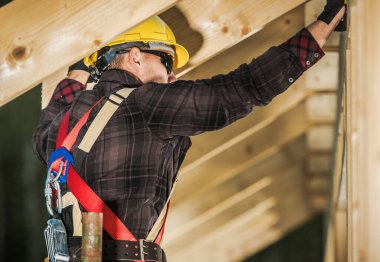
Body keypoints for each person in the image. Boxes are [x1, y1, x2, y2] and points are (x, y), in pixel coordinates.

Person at [33, 1, 346, 261]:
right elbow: (241, 88)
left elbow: (55, 111)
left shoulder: (61, 128)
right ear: (136, 57)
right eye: (167, 62)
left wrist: (79, 70)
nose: (172, 76)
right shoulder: (145, 105)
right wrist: (322, 27)